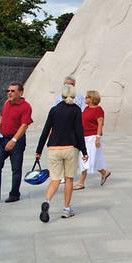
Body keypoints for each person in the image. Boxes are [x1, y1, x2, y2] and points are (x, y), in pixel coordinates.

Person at [35, 81, 88, 222]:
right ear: (74, 96)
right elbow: (79, 131)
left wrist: (38, 150)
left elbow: (46, 131)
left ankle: (47, 201)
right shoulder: (76, 110)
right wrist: (84, 151)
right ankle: (66, 209)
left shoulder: (54, 110)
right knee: (69, 178)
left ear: (62, 95)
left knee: (55, 179)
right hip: (70, 148)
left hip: (53, 148)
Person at [0, 81, 33, 205]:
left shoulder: (26, 107)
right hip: (2, 139)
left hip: (17, 141)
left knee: (16, 169)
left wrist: (14, 141)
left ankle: (14, 194)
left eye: (12, 91)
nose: (9, 93)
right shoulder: (6, 103)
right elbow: (2, 116)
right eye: (8, 91)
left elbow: (24, 125)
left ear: (20, 92)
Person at [74, 90, 111, 190]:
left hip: (92, 137)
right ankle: (104, 172)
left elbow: (100, 124)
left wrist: (98, 138)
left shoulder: (98, 110)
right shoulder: (86, 109)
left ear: (92, 98)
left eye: (87, 97)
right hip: (84, 136)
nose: (85, 98)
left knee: (85, 158)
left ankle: (81, 182)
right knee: (94, 159)